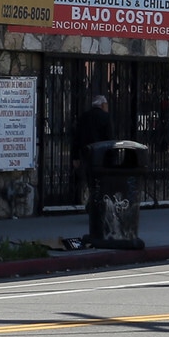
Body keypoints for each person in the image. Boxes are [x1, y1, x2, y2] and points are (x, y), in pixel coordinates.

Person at [72, 93, 114, 243]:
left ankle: (93, 207)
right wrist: (112, 158)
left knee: (92, 183)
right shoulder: (105, 117)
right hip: (102, 157)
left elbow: (76, 137)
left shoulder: (84, 117)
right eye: (106, 105)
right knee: (103, 185)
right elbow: (110, 139)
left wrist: (75, 157)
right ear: (102, 105)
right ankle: (97, 210)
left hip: (88, 156)